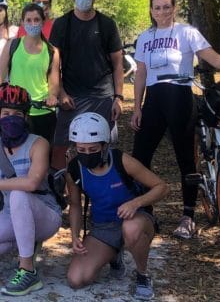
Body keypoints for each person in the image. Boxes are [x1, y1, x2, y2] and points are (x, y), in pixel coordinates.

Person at [130, 0, 220, 239]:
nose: (162, 11)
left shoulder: (187, 32)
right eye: (157, 7)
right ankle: (145, 209)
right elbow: (140, 73)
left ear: (174, 8)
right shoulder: (144, 37)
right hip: (153, 98)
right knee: (139, 157)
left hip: (179, 96)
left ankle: (188, 216)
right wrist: (137, 107)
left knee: (185, 157)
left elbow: (214, 59)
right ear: (150, 10)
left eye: (166, 7)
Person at [0, 85, 61, 297]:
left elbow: (32, 184)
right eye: (6, 114)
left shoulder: (39, 144)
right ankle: (26, 239)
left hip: (45, 213)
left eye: (17, 114)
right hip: (10, 213)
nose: (11, 118)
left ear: (26, 117)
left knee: (18, 193)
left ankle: (27, 270)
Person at [66, 112, 169, 301]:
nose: (87, 155)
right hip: (103, 226)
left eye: (93, 149)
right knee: (76, 279)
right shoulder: (74, 169)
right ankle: (114, 255)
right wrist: (75, 236)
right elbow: (74, 205)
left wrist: (135, 203)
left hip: (135, 218)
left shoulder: (121, 160)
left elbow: (162, 187)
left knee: (131, 228)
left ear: (105, 145)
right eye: (81, 150)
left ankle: (142, 275)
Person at [49, 0, 123, 170]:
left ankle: (102, 191)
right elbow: (54, 64)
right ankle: (61, 190)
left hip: (103, 97)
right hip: (71, 98)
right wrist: (61, 93)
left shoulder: (107, 24)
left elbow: (117, 64)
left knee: (103, 148)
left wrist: (118, 97)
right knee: (60, 146)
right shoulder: (62, 24)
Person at [0, 3, 60, 143]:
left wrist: (52, 96)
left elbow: (54, 83)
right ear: (22, 22)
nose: (33, 23)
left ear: (43, 22)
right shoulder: (13, 45)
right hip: (16, 111)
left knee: (43, 157)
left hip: (43, 111)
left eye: (36, 20)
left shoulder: (52, 51)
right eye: (28, 20)